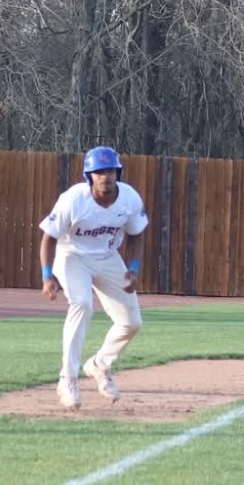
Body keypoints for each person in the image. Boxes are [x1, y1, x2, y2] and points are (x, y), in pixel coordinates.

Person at [39, 146, 149, 409]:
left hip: (108, 257)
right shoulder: (74, 199)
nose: (105, 177)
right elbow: (49, 238)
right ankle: (68, 378)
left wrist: (132, 269)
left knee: (131, 322)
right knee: (82, 304)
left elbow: (136, 235)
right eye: (99, 172)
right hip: (73, 256)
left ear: (117, 173)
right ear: (89, 176)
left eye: (110, 171)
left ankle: (100, 364)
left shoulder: (129, 199)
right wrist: (47, 276)